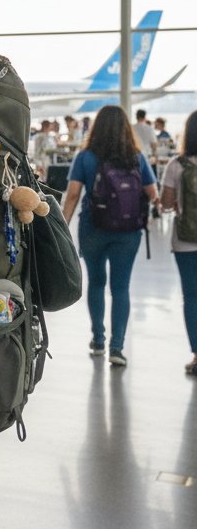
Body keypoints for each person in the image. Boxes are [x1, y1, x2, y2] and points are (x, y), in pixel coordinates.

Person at [62, 104, 159, 368]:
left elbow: (73, 194)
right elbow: (153, 193)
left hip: (93, 227)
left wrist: (63, 226)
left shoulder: (85, 157)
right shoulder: (136, 157)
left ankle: (98, 340)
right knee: (121, 287)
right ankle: (117, 347)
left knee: (96, 283)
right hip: (128, 231)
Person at [158, 110, 197, 376]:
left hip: (185, 241)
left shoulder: (176, 165)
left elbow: (166, 204)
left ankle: (196, 355)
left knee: (191, 297)